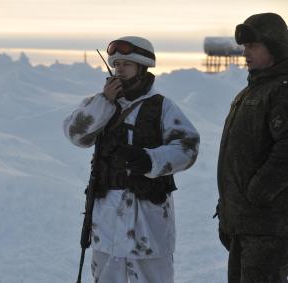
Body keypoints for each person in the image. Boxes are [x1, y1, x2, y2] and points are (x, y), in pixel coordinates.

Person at [63, 36, 200, 283]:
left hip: (148, 219)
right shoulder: (100, 104)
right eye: (117, 64)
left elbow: (188, 147)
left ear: (142, 67)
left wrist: (151, 160)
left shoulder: (162, 107)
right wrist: (104, 102)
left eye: (127, 64)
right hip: (106, 220)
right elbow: (76, 135)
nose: (120, 69)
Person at [216, 12, 288, 283]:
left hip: (267, 226)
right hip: (244, 224)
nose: (246, 52)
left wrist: (257, 194)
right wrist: (228, 209)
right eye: (244, 46)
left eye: (253, 46)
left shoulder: (282, 91)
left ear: (274, 46)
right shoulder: (251, 91)